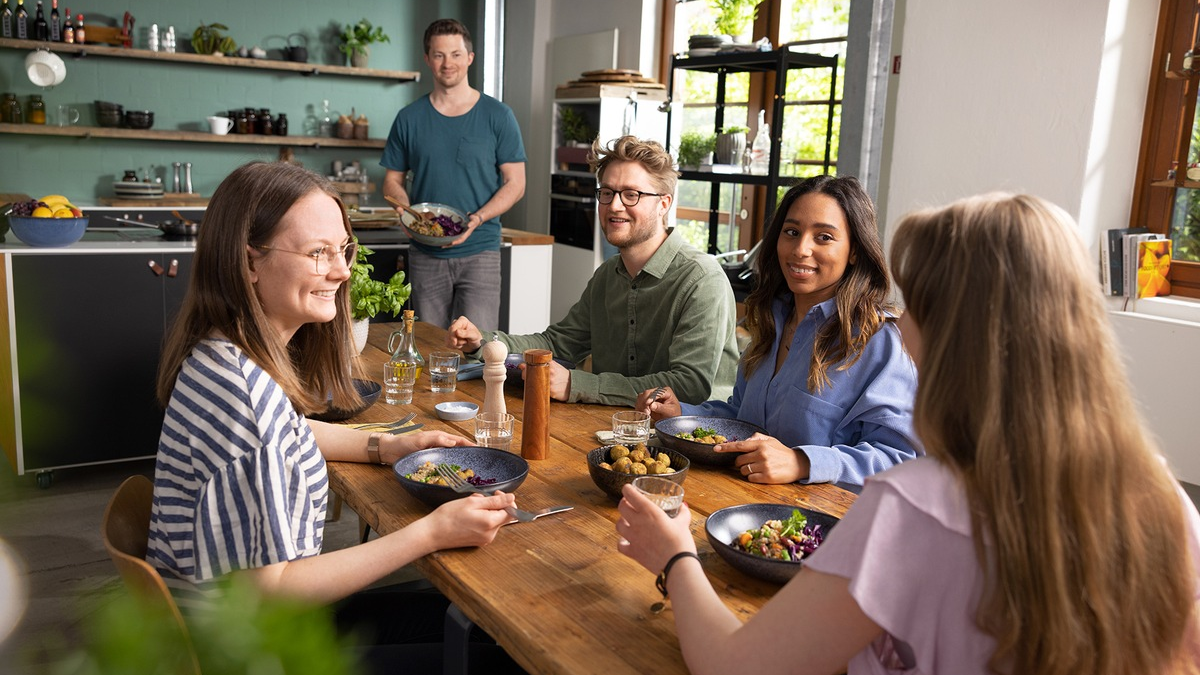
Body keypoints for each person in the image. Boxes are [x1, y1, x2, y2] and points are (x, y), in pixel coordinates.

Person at [615, 192, 1200, 675]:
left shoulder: (913, 506)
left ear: (956, 334)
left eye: (915, 303)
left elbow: (736, 665)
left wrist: (676, 557)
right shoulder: (1165, 496)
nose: (901, 320)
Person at [146, 161, 521, 673]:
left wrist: (384, 446)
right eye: (317, 252)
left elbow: (286, 432)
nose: (342, 271)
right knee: (505, 657)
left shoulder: (220, 355)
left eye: (343, 249)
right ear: (249, 261)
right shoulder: (246, 402)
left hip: (249, 631)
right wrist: (430, 533)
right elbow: (271, 592)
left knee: (481, 625)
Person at [637, 175, 919, 487]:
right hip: (743, 500)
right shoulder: (772, 320)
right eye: (792, 232)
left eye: (824, 237)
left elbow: (900, 460)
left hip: (821, 516)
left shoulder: (881, 340)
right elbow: (743, 419)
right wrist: (682, 415)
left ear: (854, 250)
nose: (801, 249)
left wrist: (802, 462)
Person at [445, 135, 739, 407]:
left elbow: (689, 386)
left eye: (632, 195)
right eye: (607, 193)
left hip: (694, 436)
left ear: (664, 204)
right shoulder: (607, 275)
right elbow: (557, 344)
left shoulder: (701, 279)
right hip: (612, 426)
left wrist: (577, 384)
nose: (615, 206)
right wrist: (483, 341)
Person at [381, 18, 526, 331]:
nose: (448, 63)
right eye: (439, 55)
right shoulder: (408, 118)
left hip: (481, 251)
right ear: (427, 59)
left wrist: (478, 218)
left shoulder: (499, 116)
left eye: (456, 54)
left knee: (479, 346)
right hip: (425, 253)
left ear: (470, 58)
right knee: (428, 343)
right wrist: (405, 211)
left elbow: (516, 183)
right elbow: (392, 180)